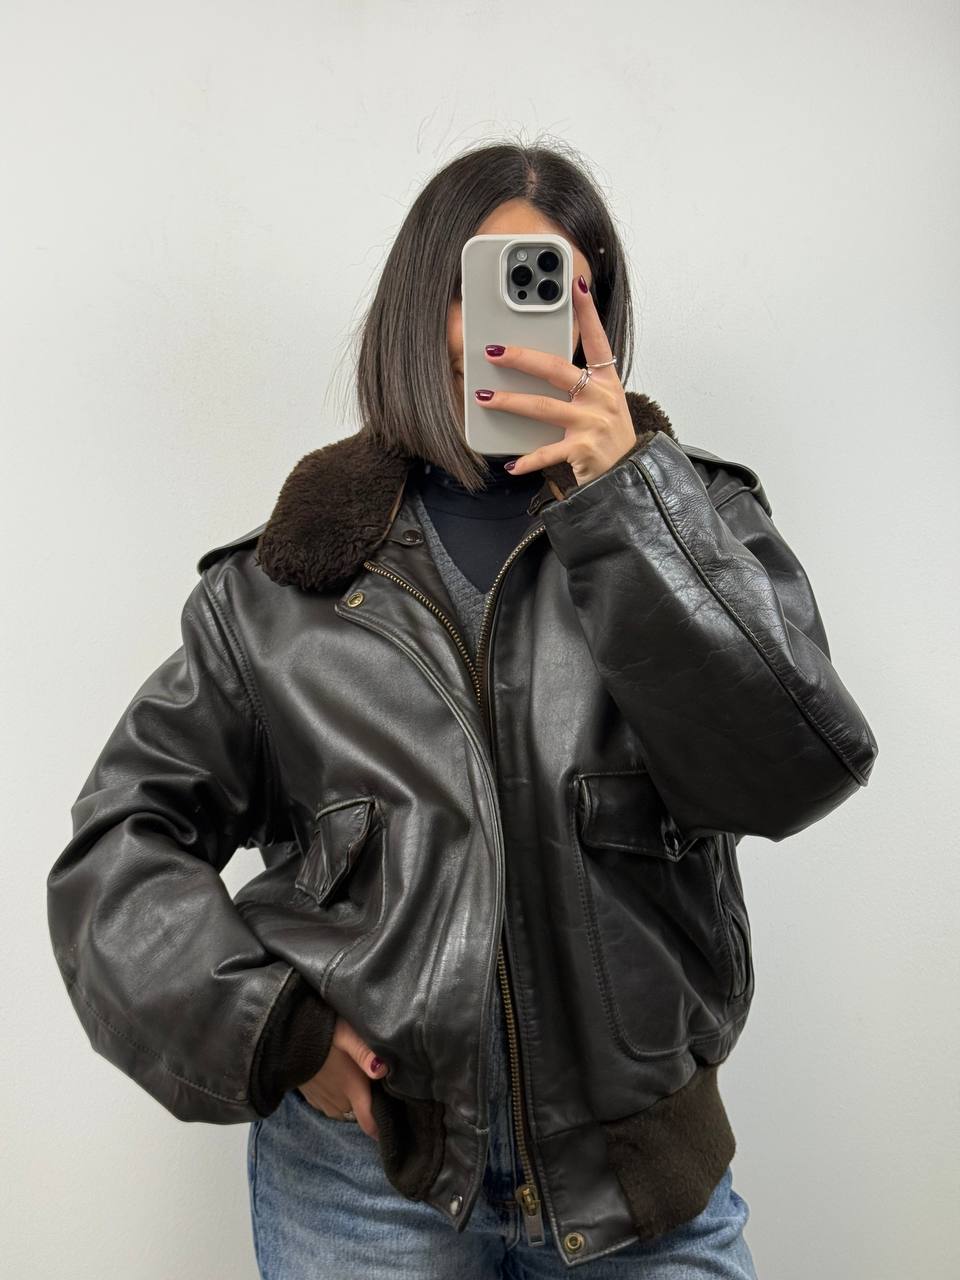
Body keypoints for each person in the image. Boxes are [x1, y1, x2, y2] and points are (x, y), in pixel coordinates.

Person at [47, 140, 879, 1278]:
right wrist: (278, 1030)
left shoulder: (699, 522)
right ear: (419, 305)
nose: (513, 326)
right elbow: (118, 847)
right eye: (485, 286)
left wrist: (631, 508)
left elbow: (790, 770)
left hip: (640, 1180)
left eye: (557, 287)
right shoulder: (284, 584)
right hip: (367, 1186)